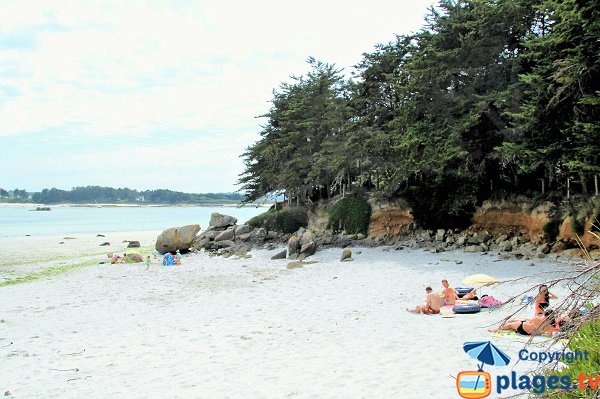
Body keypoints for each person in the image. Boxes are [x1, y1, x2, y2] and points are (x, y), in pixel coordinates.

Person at [489, 309, 559, 336]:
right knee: (525, 320)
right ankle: (515, 319)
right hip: (527, 332)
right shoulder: (551, 326)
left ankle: (495, 329)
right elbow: (549, 336)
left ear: (544, 314)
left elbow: (531, 321)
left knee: (510, 325)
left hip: (522, 328)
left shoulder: (537, 318)